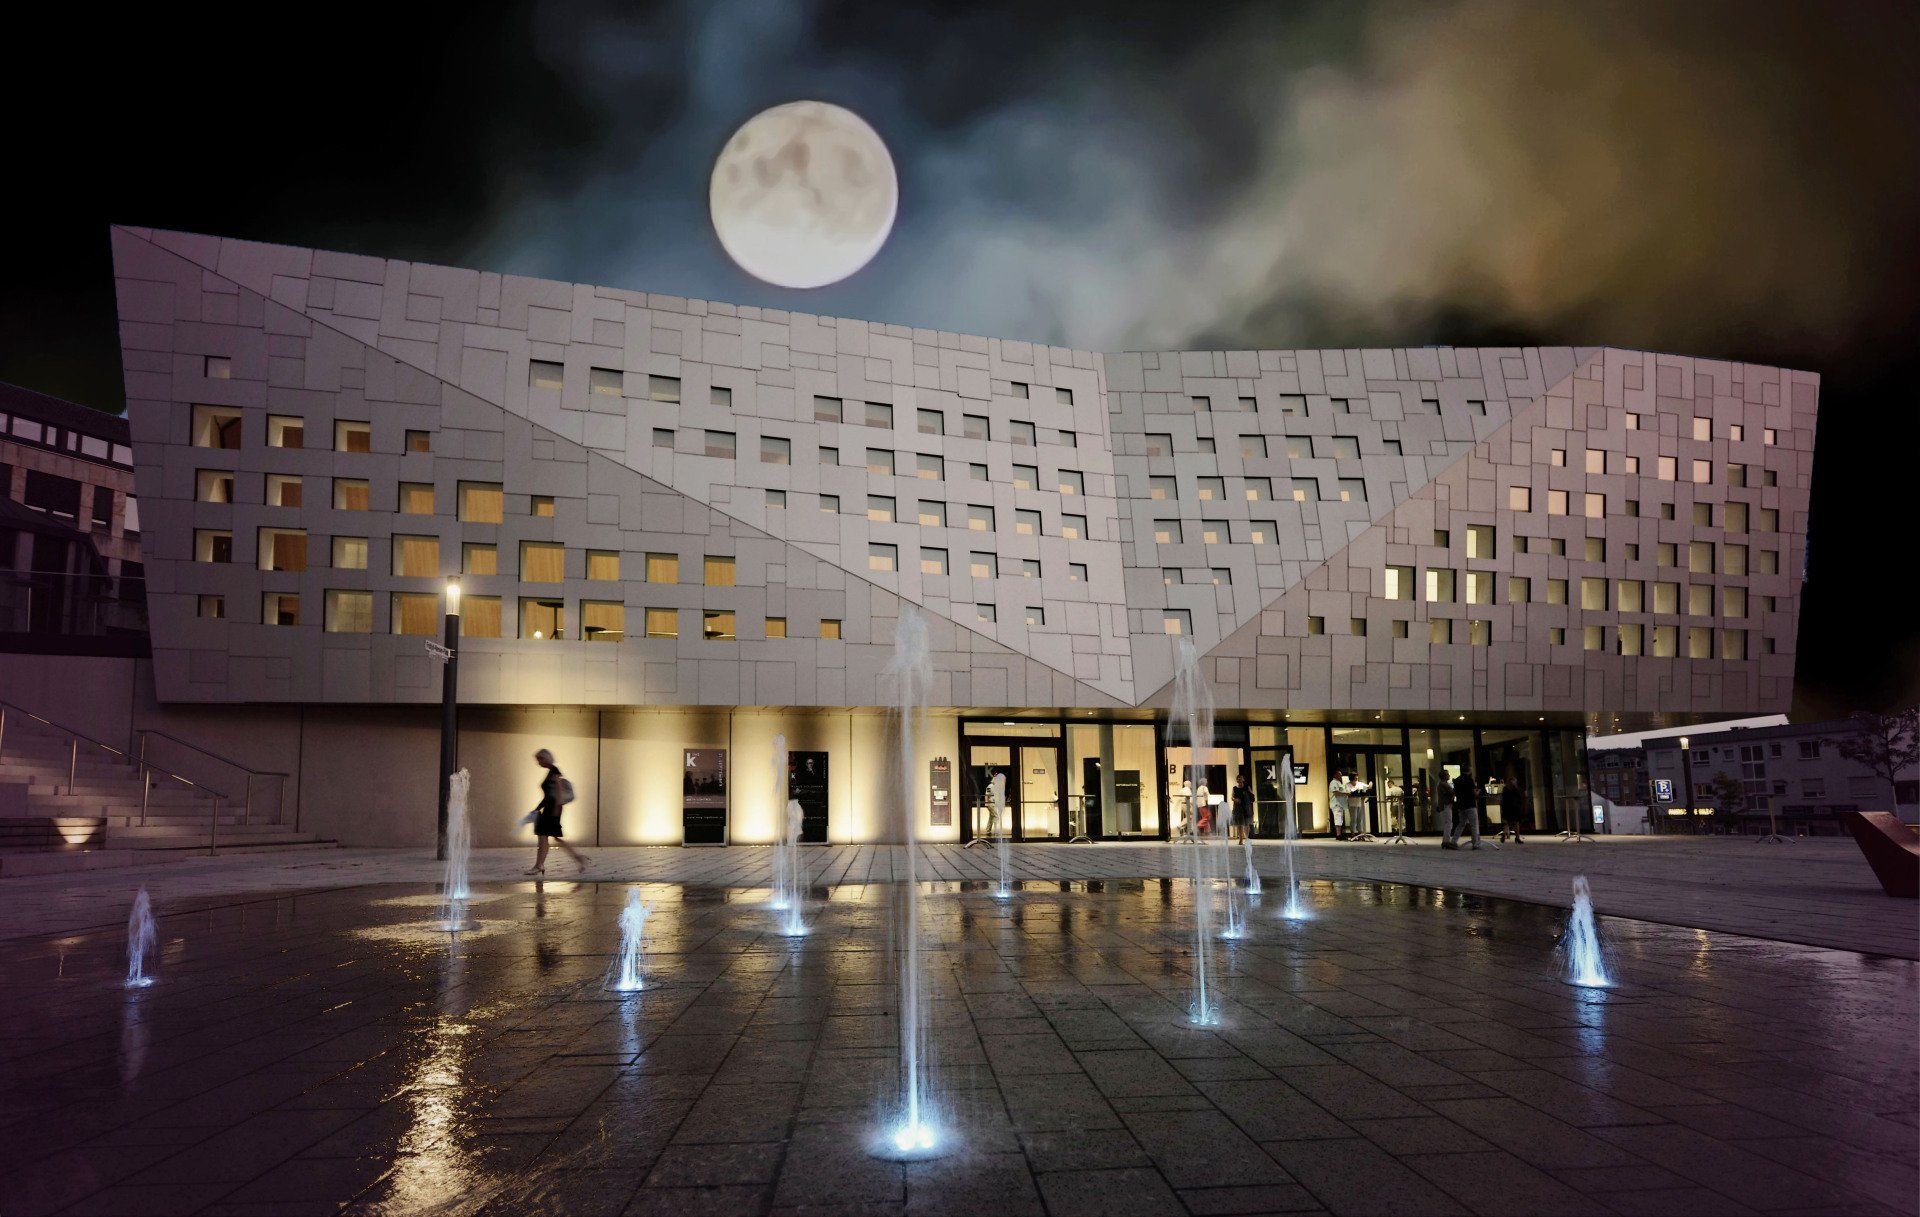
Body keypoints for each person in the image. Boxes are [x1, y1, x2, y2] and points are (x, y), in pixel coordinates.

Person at [526, 748, 589, 875]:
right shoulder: (551, 771)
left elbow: (559, 791)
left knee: (543, 836)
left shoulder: (554, 771)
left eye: (539, 759)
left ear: (546, 758)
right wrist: (538, 808)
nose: (538, 763)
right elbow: (548, 795)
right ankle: (578, 858)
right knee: (552, 837)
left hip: (552, 809)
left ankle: (539, 865)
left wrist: (556, 808)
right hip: (550, 808)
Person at [1451, 770, 1482, 849]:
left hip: (1461, 805)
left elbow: (1454, 792)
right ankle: (1475, 843)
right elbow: (1474, 793)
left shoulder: (1457, 780)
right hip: (1470, 805)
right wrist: (1478, 791)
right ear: (1469, 770)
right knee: (1474, 824)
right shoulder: (1469, 780)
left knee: (1461, 824)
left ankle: (1453, 841)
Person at [1498, 768, 1528, 844]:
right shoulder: (1516, 789)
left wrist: (1501, 807)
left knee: (1508, 822)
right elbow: (1520, 798)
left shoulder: (1505, 789)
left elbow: (1502, 799)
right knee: (1516, 823)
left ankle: (1505, 833)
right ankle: (1517, 838)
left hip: (1506, 808)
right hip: (1515, 808)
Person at [1433, 766, 1457, 849]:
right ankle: (1446, 841)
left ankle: (1445, 841)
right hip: (1446, 805)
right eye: (1447, 774)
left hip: (1445, 805)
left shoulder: (1441, 784)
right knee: (1448, 823)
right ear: (1444, 776)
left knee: (1448, 823)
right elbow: (1452, 792)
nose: (1449, 775)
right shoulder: (1443, 784)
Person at [1231, 771, 1254, 842]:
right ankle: (1240, 839)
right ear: (1236, 780)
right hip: (1238, 808)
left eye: (1241, 778)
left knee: (1247, 823)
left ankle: (1246, 838)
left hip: (1246, 807)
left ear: (1243, 779)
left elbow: (1252, 795)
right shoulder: (1235, 788)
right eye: (1238, 778)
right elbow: (1232, 797)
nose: (1239, 780)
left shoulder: (1247, 787)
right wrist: (1235, 799)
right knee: (1239, 824)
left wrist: (1248, 796)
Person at [1329, 770, 1351, 840]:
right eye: (1339, 775)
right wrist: (1346, 794)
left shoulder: (1338, 783)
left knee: (1340, 819)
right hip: (1336, 804)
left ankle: (1339, 834)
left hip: (1340, 804)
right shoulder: (1333, 782)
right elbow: (1336, 792)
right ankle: (1338, 835)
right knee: (1338, 819)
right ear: (1335, 775)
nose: (1341, 776)